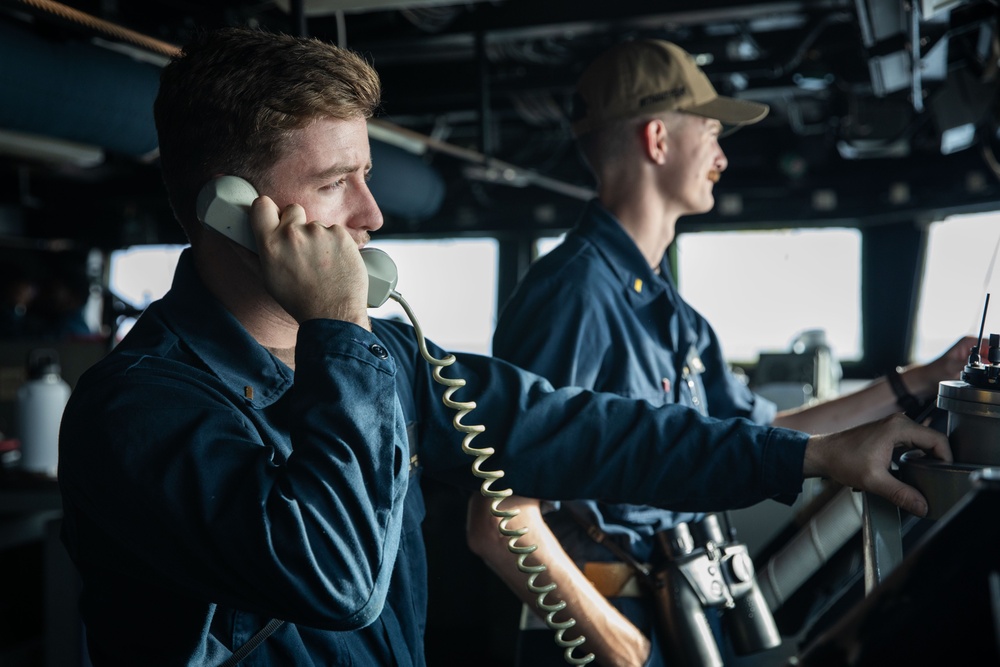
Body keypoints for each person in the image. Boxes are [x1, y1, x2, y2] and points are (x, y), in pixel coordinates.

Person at [57, 27, 951, 667]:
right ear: (232, 205)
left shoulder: (379, 361)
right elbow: (331, 576)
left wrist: (810, 454)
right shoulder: (138, 410)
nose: (372, 215)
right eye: (337, 183)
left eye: (368, 174)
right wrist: (340, 330)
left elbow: (589, 429)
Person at [466, 39, 977, 667]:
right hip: (603, 624)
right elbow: (500, 518)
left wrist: (927, 379)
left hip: (673, 606)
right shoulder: (571, 295)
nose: (722, 156)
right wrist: (617, 645)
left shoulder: (671, 313)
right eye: (710, 132)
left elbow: (767, 432)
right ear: (657, 140)